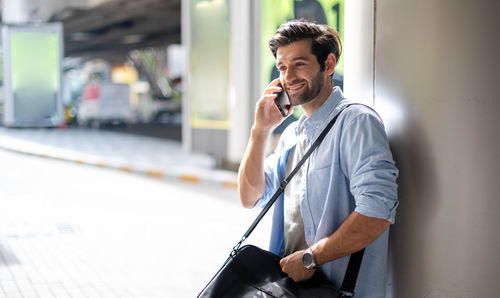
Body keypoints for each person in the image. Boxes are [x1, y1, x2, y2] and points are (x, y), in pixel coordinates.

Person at [237, 20, 399, 297]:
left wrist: (311, 258)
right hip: (287, 288)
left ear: (329, 64)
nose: (289, 76)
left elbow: (377, 210)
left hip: (337, 291)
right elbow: (250, 196)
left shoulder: (356, 122)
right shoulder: (291, 135)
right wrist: (260, 130)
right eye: (282, 67)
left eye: (299, 64)